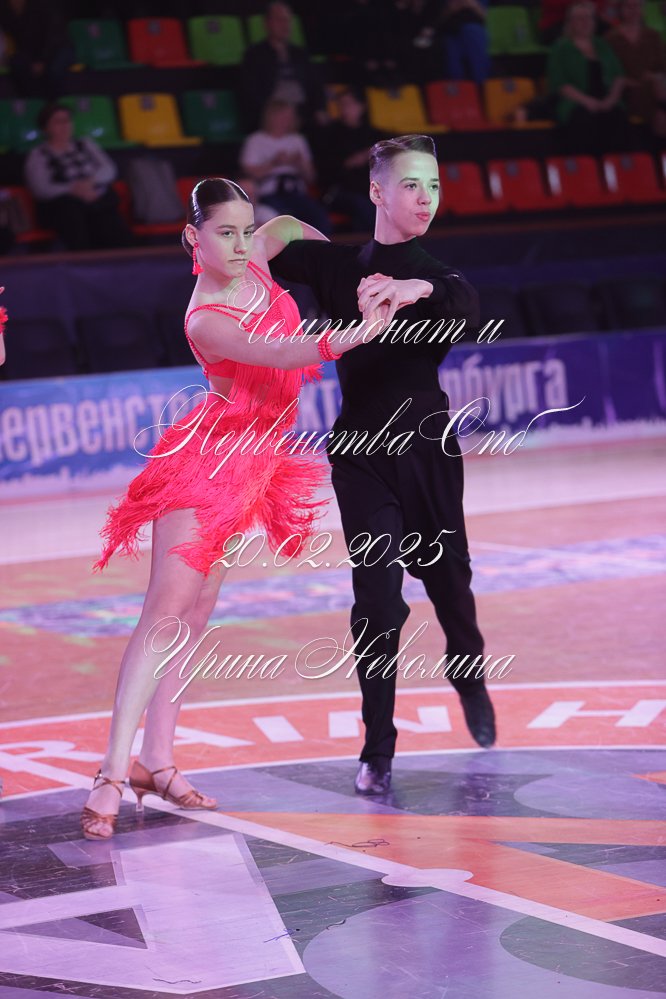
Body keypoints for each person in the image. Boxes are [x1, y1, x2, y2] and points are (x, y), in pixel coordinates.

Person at [79, 178, 385, 840]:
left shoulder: (261, 253)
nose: (243, 244)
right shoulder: (206, 317)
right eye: (226, 233)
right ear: (194, 237)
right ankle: (110, 771)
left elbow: (294, 228)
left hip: (254, 466)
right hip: (207, 462)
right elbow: (279, 352)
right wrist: (358, 329)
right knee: (165, 612)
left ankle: (158, 760)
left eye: (248, 230)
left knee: (196, 614)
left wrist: (349, 274)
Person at [271, 134, 496, 796]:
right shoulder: (339, 267)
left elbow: (464, 304)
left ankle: (468, 673)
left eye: (434, 185)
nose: (426, 198)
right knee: (376, 600)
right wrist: (257, 239)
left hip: (427, 452)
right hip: (360, 455)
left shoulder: (437, 274)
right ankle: (378, 746)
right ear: (376, 191)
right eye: (411, 185)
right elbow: (270, 244)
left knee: (451, 587)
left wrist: (412, 286)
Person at [24, 102, 132, 252]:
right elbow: (40, 188)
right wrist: (72, 189)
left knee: (108, 213)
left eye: (67, 120)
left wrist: (90, 182)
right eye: (58, 121)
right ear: (45, 127)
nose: (65, 125)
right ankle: (84, 259)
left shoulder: (85, 143)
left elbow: (109, 169)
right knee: (71, 213)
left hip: (94, 196)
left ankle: (121, 257)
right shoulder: (38, 154)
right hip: (62, 205)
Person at [547, 1, 629, 155]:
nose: (585, 22)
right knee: (584, 119)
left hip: (606, 99)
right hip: (576, 101)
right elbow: (560, 84)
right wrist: (588, 101)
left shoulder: (602, 44)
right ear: (570, 22)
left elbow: (619, 77)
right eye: (580, 18)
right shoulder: (560, 48)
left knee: (617, 117)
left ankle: (616, 166)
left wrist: (611, 100)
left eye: (589, 18)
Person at [239, 98, 332, 236]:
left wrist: (299, 163)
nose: (286, 121)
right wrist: (274, 162)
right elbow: (249, 176)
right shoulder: (256, 140)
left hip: (296, 192)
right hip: (269, 193)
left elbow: (311, 177)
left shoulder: (298, 140)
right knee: (278, 220)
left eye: (289, 117)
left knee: (319, 217)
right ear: (272, 117)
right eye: (282, 116)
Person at [239, 0, 327, 132]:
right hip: (271, 115)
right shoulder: (254, 55)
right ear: (267, 23)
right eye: (280, 20)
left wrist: (320, 109)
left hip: (303, 115)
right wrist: (277, 114)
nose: (285, 24)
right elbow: (250, 94)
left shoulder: (300, 54)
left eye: (288, 20)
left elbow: (315, 86)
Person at [316, 87, 380, 232]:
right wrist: (351, 162)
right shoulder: (330, 134)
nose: (344, 108)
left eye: (348, 104)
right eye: (341, 104)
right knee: (362, 205)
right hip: (340, 190)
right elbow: (324, 171)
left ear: (361, 106)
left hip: (369, 188)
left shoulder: (373, 134)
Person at [606, 0, 666, 139]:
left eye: (637, 6)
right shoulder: (610, 39)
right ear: (621, 9)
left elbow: (662, 67)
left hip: (652, 88)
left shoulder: (653, 36)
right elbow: (608, 72)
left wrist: (656, 77)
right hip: (623, 91)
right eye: (629, 6)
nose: (633, 10)